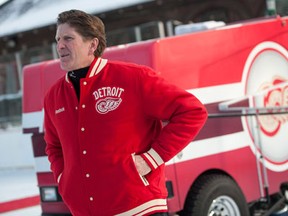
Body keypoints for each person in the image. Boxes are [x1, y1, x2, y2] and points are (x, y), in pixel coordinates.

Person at [44, 9, 207, 216]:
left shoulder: (132, 78)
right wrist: (64, 178)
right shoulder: (53, 96)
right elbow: (53, 146)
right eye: (58, 39)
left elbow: (192, 112)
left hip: (139, 207)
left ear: (92, 45)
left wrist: (151, 159)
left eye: (68, 38)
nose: (60, 45)